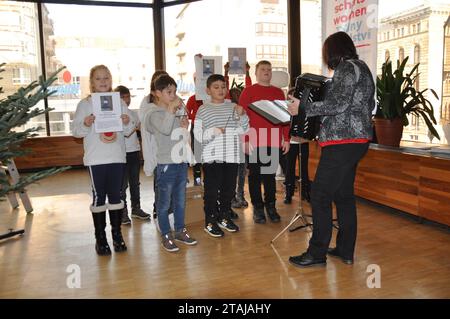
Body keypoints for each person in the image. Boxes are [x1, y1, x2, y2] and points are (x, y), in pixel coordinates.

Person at [287, 31, 375, 267]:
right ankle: (345, 250)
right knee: (343, 196)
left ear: (333, 51)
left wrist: (303, 108)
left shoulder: (346, 68)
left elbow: (339, 103)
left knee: (320, 195)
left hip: (342, 142)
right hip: (356, 141)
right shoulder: (362, 68)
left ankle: (316, 253)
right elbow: (369, 104)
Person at [73, 65, 133, 255]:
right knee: (99, 196)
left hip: (116, 156)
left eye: (106, 78)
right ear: (92, 82)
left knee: (116, 196)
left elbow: (131, 127)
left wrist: (126, 121)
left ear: (111, 80)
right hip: (96, 158)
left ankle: (117, 236)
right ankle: (100, 239)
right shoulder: (85, 104)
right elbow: (76, 131)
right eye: (98, 79)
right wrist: (85, 123)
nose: (103, 81)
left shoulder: (119, 102)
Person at [144, 74, 197, 252]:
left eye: (174, 91)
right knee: (164, 203)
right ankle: (166, 234)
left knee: (180, 201)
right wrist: (171, 112)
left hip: (180, 161)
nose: (173, 95)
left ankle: (180, 230)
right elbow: (165, 130)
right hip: (166, 163)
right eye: (169, 92)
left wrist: (184, 124)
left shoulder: (172, 110)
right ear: (157, 93)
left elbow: (178, 132)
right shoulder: (153, 113)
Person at [194, 74, 249, 237]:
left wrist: (243, 115)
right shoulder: (203, 109)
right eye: (216, 87)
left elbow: (244, 130)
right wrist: (213, 131)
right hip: (211, 157)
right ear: (208, 90)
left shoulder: (233, 106)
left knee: (228, 190)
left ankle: (224, 216)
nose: (221, 90)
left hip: (231, 156)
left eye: (223, 87)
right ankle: (210, 220)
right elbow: (197, 134)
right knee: (211, 190)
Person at [239, 60, 290, 224]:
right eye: (263, 69)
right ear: (256, 72)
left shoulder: (278, 93)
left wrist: (286, 138)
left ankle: (271, 207)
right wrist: (245, 140)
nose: (266, 72)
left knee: (269, 177)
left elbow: (285, 118)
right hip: (254, 140)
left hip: (274, 140)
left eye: (269, 69)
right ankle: (258, 209)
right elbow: (242, 119)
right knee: (254, 177)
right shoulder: (248, 92)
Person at [114, 85, 150, 224]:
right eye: (122, 97)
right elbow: (127, 132)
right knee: (122, 185)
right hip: (121, 153)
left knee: (135, 183)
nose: (125, 99)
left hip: (134, 152)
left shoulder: (134, 113)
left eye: (127, 96)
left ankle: (136, 208)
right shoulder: (117, 116)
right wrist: (133, 126)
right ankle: (123, 212)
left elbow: (140, 130)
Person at [139, 70, 170, 220]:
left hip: (170, 147)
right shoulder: (147, 102)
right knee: (159, 181)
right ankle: (158, 208)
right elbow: (145, 123)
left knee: (171, 181)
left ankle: (169, 209)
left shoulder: (172, 99)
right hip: (155, 145)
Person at [225, 61, 252, 209]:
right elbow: (224, 87)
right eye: (234, 91)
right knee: (232, 171)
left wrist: (247, 71)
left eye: (240, 92)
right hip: (230, 141)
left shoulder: (245, 102)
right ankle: (231, 197)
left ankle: (240, 194)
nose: (237, 93)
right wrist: (226, 72)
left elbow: (248, 85)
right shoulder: (228, 101)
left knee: (242, 170)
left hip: (243, 141)